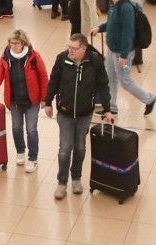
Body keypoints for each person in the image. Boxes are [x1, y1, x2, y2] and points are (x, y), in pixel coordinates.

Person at [45, 33, 112, 199]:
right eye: (68, 47)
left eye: (74, 48)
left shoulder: (95, 61)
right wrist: (47, 102)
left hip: (84, 114)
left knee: (80, 148)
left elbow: (103, 86)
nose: (70, 51)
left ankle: (76, 178)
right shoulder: (62, 59)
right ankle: (62, 182)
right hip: (65, 113)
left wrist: (107, 109)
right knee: (65, 149)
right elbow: (53, 81)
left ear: (84, 48)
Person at [0, 29, 50, 173]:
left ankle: (33, 158)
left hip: (32, 100)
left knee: (31, 130)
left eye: (16, 43)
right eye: (11, 43)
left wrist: (45, 98)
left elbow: (44, 78)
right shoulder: (5, 58)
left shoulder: (34, 56)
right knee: (16, 127)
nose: (13, 46)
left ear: (23, 43)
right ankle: (20, 151)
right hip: (15, 101)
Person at [93, 0, 156, 117]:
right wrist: (100, 28)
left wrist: (123, 56)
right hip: (112, 49)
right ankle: (111, 107)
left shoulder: (126, 8)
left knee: (125, 81)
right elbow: (111, 23)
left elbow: (128, 34)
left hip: (123, 53)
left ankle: (149, 99)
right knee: (110, 78)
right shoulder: (113, 4)